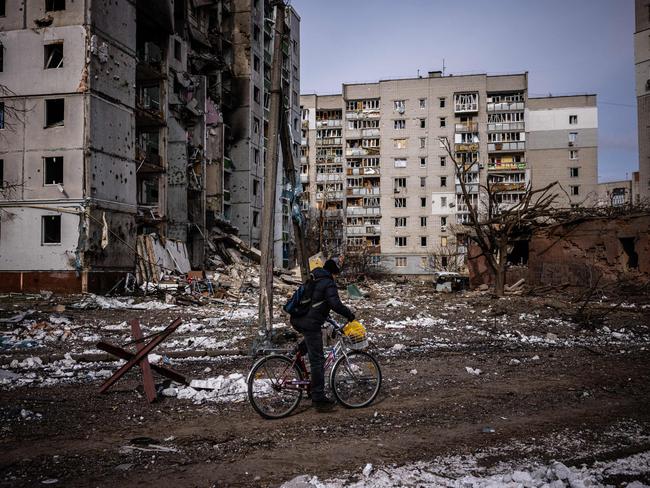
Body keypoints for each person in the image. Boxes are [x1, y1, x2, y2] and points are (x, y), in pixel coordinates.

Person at [290, 257, 355, 412]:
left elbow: (317, 304)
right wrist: (349, 314)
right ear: (333, 273)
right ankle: (318, 398)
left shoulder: (315, 278)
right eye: (336, 275)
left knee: (311, 342)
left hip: (298, 319)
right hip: (309, 323)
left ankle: (297, 356)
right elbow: (335, 304)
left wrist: (329, 320)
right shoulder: (328, 283)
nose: (336, 277)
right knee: (318, 360)